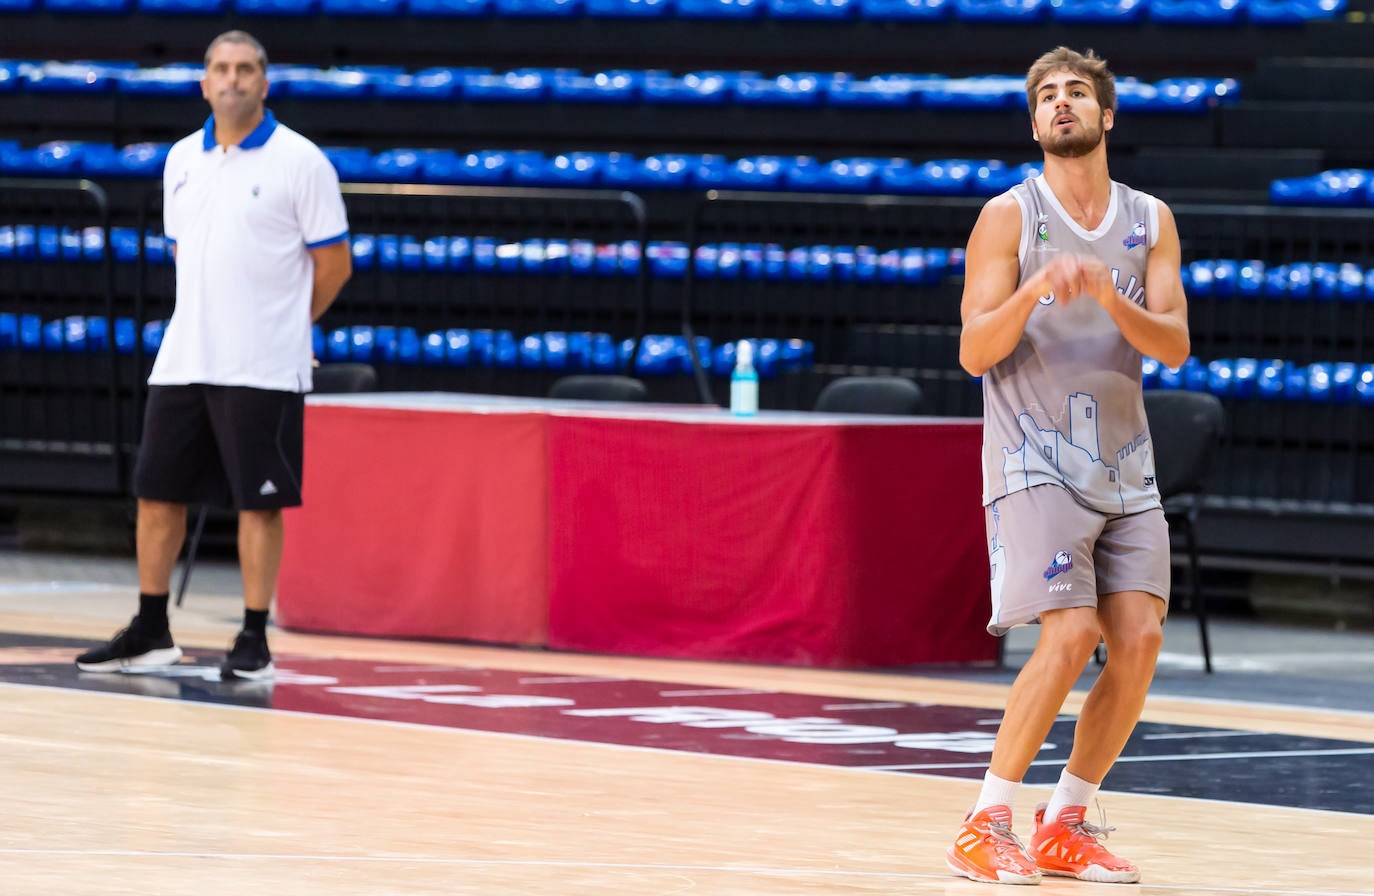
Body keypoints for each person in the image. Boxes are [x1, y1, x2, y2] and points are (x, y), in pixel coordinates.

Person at [945, 47, 1190, 885]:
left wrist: (1108, 296)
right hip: (1033, 457)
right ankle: (986, 819)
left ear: (1106, 115)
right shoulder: (1008, 216)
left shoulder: (1150, 219)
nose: (1060, 104)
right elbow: (977, 350)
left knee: (1141, 638)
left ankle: (1066, 820)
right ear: (1034, 121)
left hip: (1125, 466)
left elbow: (1176, 345)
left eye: (1076, 92)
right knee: (1072, 632)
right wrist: (1036, 290)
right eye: (1046, 96)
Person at [76, 30, 352, 681]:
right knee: (156, 493)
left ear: (265, 81)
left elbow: (334, 265)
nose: (233, 79)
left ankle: (254, 638)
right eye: (221, 69)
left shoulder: (301, 161)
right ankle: (151, 628)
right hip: (184, 355)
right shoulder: (180, 160)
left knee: (259, 503)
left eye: (246, 68)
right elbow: (184, 250)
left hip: (262, 363)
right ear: (204, 83)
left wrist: (285, 324)